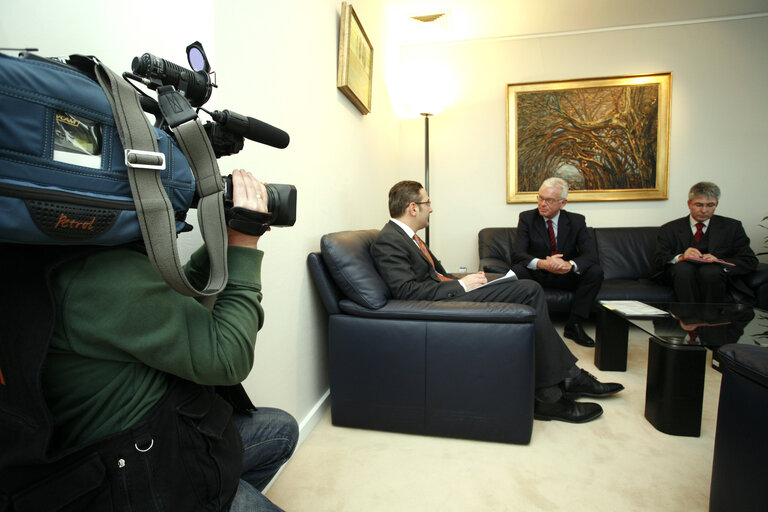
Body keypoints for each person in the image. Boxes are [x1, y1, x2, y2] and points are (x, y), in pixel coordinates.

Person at [1, 169, 297, 511]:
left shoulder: (57, 255)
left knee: (281, 430)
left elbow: (168, 300)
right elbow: (228, 357)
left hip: (166, 425)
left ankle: (217, 488)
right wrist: (245, 245)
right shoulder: (97, 274)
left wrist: (227, 239)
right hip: (141, 468)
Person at [370, 180, 624, 424]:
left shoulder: (408, 236)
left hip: (444, 292)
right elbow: (406, 291)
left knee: (513, 282)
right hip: (439, 303)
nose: (431, 208)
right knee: (530, 290)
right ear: (413, 207)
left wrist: (468, 279)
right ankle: (554, 392)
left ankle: (567, 377)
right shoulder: (389, 239)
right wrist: (460, 285)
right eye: (428, 202)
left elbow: (435, 276)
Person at [511, 177, 603, 347]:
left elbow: (590, 255)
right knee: (518, 270)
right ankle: (533, 325)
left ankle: (574, 325)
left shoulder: (576, 221)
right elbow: (517, 254)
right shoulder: (527, 218)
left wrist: (570, 265)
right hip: (538, 274)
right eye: (540, 198)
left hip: (566, 275)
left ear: (563, 203)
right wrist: (542, 263)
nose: (542, 204)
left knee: (595, 271)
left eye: (549, 200)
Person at [653, 181, 758, 304]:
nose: (704, 210)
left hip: (715, 275)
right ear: (689, 204)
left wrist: (721, 262)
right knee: (683, 269)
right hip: (682, 274)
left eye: (710, 205)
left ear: (716, 204)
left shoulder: (732, 227)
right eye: (699, 205)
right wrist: (681, 257)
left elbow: (749, 260)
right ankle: (688, 318)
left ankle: (711, 319)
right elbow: (658, 260)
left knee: (711, 271)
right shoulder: (670, 228)